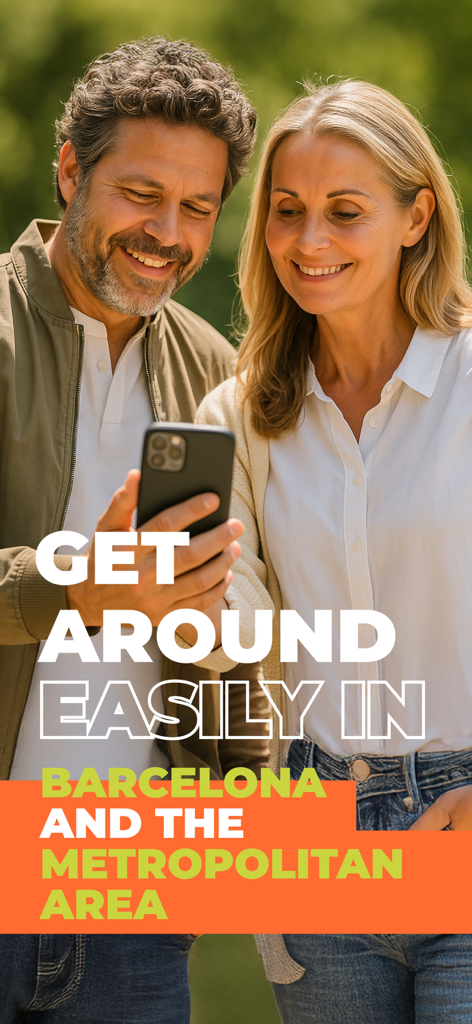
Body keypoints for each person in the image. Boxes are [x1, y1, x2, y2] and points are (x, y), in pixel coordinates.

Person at [0, 36, 267, 1024]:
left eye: (198, 207)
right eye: (140, 193)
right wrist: (76, 587)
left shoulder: (216, 374)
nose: (168, 232)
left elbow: (239, 647)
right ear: (71, 169)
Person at [197, 78, 472, 1022]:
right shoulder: (240, 415)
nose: (308, 243)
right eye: (287, 212)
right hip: (318, 833)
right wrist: (181, 595)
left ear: (416, 216)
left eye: (344, 212)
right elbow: (234, 622)